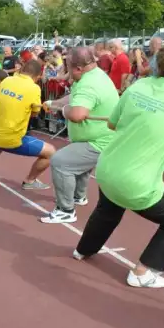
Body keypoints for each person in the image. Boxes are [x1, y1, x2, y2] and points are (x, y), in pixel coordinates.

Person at [74, 44, 164, 289]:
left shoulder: (138, 86)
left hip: (108, 169)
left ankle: (83, 250)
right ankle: (142, 272)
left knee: (108, 209)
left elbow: (112, 124)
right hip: (135, 182)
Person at [39, 47, 119, 224]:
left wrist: (65, 110)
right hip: (94, 137)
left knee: (61, 162)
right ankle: (78, 196)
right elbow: (74, 98)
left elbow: (76, 114)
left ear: (78, 68)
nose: (66, 72)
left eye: (67, 67)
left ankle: (66, 210)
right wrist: (54, 103)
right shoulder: (94, 75)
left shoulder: (88, 84)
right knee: (78, 162)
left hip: (100, 141)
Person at [0, 60, 56, 188]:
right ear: (38, 76)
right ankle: (30, 181)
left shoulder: (7, 81)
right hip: (11, 138)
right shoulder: (34, 88)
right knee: (51, 152)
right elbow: (34, 114)